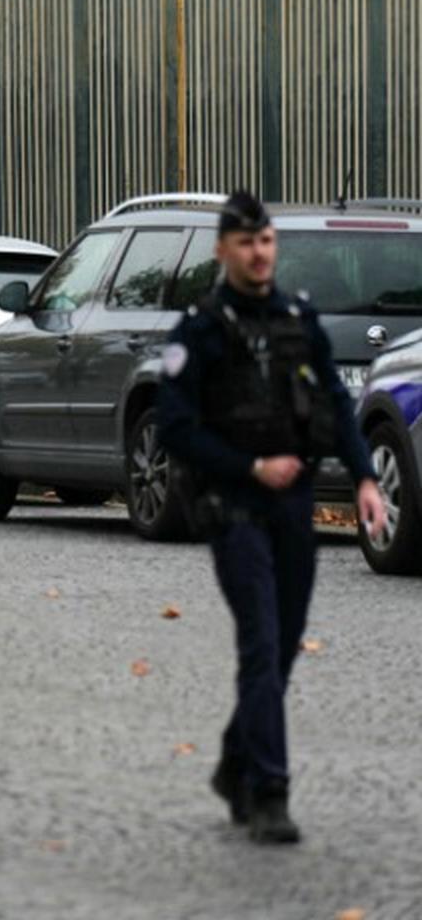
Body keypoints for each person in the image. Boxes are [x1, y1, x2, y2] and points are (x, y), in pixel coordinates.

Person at [159, 189, 386, 845]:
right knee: (260, 641)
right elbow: (175, 427)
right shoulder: (200, 329)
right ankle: (269, 791)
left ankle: (235, 761)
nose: (259, 253)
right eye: (246, 242)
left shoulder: (297, 317)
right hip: (233, 506)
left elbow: (338, 410)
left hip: (293, 506)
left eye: (266, 242)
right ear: (222, 249)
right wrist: (249, 468)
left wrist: (367, 477)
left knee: (282, 648)